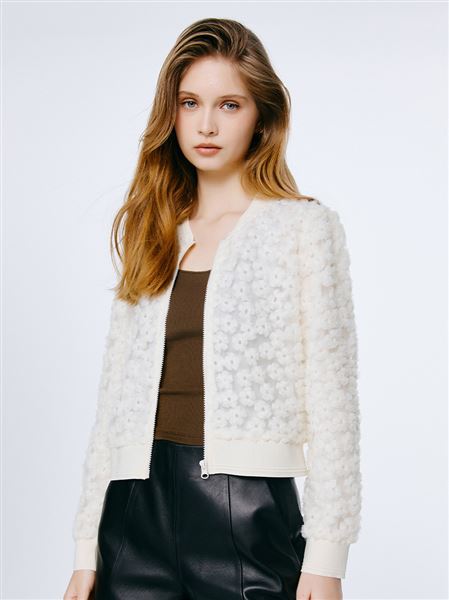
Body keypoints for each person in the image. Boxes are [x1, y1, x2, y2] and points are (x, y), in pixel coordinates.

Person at [63, 17, 362, 600]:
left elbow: (335, 401)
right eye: (189, 103)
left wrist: (327, 556)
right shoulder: (154, 232)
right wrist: (84, 549)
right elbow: (113, 403)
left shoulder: (304, 229)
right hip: (133, 513)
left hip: (247, 514)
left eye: (229, 104)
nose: (206, 124)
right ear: (170, 114)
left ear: (262, 117)